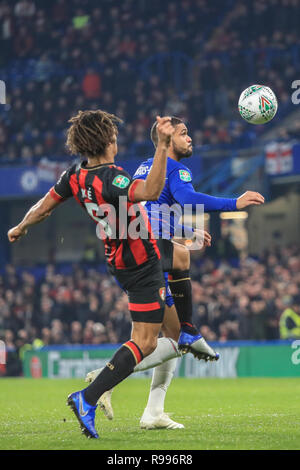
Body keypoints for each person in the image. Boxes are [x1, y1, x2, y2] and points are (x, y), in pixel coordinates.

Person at [7, 110, 179, 439]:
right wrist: (162, 146)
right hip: (141, 265)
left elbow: (43, 207)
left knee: (175, 333)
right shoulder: (112, 177)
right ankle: (89, 396)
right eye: (114, 136)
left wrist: (20, 227)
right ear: (108, 141)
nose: (117, 141)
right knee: (146, 342)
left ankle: (142, 398)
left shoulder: (75, 175)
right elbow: (152, 192)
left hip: (119, 259)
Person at [87, 116, 265, 429]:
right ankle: (106, 379)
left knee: (166, 337)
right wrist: (234, 201)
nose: (190, 138)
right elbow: (187, 199)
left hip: (136, 248)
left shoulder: (146, 167)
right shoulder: (176, 168)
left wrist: (184, 228)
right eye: (184, 133)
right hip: (151, 253)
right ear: (168, 140)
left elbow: (152, 211)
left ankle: (153, 411)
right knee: (175, 335)